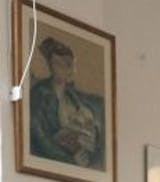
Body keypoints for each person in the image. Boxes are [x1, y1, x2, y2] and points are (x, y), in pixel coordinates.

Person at [29, 37, 105, 169]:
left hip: (78, 153)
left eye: (66, 64)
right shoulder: (40, 93)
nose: (61, 69)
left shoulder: (75, 97)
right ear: (50, 65)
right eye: (57, 63)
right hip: (56, 157)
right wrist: (69, 159)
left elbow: (91, 125)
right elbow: (39, 134)